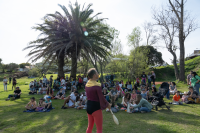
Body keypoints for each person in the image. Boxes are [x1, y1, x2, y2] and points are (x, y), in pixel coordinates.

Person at [85, 68, 110, 133]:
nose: (98, 74)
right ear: (94, 75)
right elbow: (101, 98)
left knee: (89, 127)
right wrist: (107, 104)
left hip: (89, 107)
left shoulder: (87, 85)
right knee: (99, 129)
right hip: (96, 108)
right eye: (96, 73)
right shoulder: (97, 86)